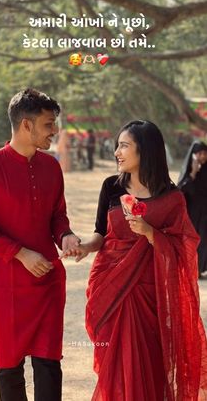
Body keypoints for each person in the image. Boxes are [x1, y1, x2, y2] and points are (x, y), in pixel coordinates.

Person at [63, 120, 207, 400]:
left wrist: (151, 233)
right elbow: (100, 234)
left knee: (149, 365)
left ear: (146, 150)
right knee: (115, 365)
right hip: (111, 288)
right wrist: (84, 247)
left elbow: (185, 247)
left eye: (124, 146)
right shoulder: (111, 187)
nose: (117, 152)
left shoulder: (172, 196)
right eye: (117, 145)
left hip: (149, 294)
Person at [0, 88, 80, 401]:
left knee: (49, 363)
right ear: (26, 125)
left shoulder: (51, 168)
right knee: (10, 367)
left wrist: (66, 236)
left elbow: (58, 217)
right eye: (48, 124)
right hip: (5, 286)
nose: (54, 131)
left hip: (46, 280)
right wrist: (19, 253)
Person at [178, 141, 207, 278]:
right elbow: (180, 192)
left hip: (205, 213)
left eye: (205, 153)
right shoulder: (188, 173)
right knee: (193, 241)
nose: (202, 156)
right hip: (192, 214)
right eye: (199, 153)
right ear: (193, 155)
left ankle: (199, 270)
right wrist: (193, 173)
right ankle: (193, 270)